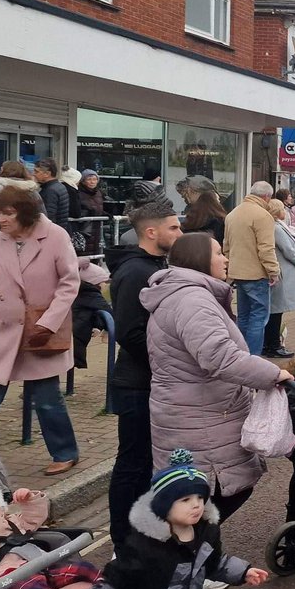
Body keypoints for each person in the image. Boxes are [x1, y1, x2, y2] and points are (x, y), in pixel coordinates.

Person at [142, 233, 293, 529]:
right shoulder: (192, 300)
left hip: (193, 410)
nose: (225, 259)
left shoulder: (185, 295)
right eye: (218, 253)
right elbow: (219, 356)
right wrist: (272, 375)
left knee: (200, 499)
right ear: (199, 259)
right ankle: (187, 562)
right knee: (210, 497)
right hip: (200, 417)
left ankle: (193, 558)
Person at [78, 449, 270, 589]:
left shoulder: (205, 533)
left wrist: (243, 571)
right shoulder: (145, 544)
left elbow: (214, 564)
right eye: (185, 500)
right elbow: (112, 581)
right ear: (164, 505)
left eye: (200, 497)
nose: (196, 505)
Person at [0, 186, 81, 475]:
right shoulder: (0, 239)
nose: (1, 219)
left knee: (46, 397)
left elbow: (69, 283)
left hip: (40, 331)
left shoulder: (55, 236)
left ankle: (65, 452)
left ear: (25, 213)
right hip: (3, 329)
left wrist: (48, 322)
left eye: (8, 213)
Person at [105, 200, 182, 550]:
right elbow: (131, 333)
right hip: (137, 385)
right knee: (132, 466)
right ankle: (123, 539)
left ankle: (143, 532)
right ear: (151, 232)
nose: (179, 233)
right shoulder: (136, 271)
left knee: (146, 465)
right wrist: (171, 361)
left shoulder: (154, 264)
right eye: (174, 228)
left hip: (151, 381)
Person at [222, 181, 279, 356]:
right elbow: (266, 248)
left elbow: (226, 246)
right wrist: (273, 271)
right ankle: (253, 357)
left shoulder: (232, 214)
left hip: (237, 272)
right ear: (267, 197)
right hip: (256, 274)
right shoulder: (262, 216)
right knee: (259, 317)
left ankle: (240, 354)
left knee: (244, 316)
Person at [264, 199, 295, 359]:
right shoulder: (276, 228)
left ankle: (270, 343)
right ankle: (273, 345)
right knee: (276, 310)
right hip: (281, 273)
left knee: (276, 309)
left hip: (284, 272)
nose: (285, 211)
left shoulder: (278, 226)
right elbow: (288, 250)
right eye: (282, 208)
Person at [32, 158, 71, 231]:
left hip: (50, 232)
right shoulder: (59, 186)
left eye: (36, 171)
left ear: (47, 174)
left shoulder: (50, 190)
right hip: (58, 230)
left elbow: (47, 215)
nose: (33, 174)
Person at [77, 168, 106, 254]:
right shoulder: (79, 193)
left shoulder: (99, 193)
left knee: (96, 251)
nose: (92, 182)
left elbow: (99, 207)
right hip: (85, 228)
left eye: (94, 179)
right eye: (89, 179)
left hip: (97, 228)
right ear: (83, 181)